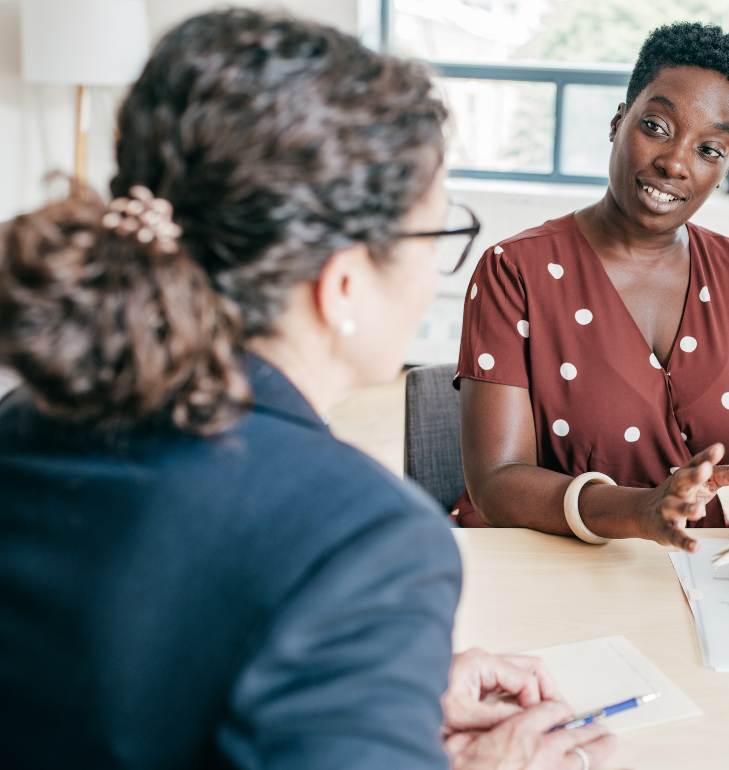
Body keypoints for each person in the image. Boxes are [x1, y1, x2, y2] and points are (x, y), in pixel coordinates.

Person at [0, 10, 615, 770]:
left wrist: (365, 696)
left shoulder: (24, 419)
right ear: (345, 283)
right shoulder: (363, 542)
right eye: (437, 236)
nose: (435, 280)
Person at [454, 22, 729, 570]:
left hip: (697, 568)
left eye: (709, 149)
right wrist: (640, 510)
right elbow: (496, 480)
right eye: (656, 126)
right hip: (544, 564)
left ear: (723, 171)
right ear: (617, 122)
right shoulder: (515, 271)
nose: (676, 162)